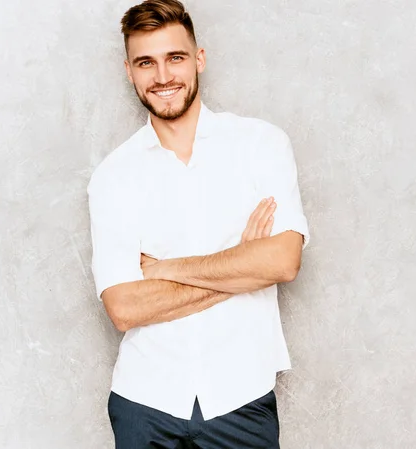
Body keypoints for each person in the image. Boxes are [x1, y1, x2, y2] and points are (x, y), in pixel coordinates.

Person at [86, 0, 310, 447]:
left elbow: (283, 262)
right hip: (143, 402)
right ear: (129, 71)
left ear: (199, 59)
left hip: (241, 397)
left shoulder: (261, 145)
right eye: (146, 62)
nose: (163, 76)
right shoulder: (113, 176)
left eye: (175, 57)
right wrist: (242, 267)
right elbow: (124, 308)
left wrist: (166, 269)